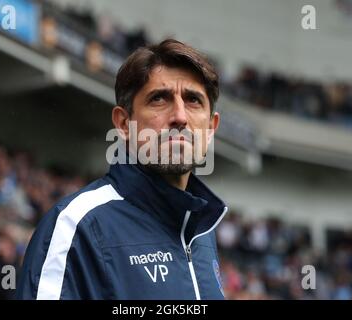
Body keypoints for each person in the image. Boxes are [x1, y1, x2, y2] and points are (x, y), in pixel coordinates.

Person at [17, 39, 228, 300]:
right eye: (159, 99)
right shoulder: (75, 228)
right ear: (124, 123)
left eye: (193, 100)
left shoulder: (202, 231)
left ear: (210, 129)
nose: (180, 116)